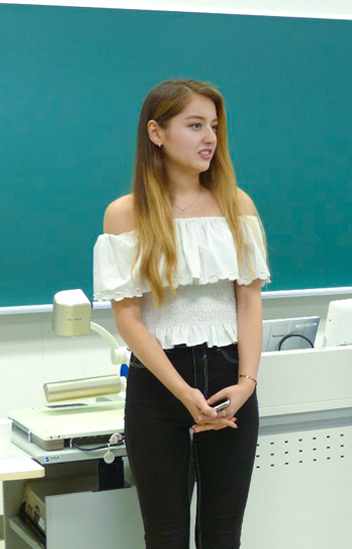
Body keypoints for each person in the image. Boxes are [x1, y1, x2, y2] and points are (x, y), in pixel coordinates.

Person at [93, 79, 270, 549]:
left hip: (231, 379)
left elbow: (249, 302)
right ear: (156, 132)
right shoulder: (125, 215)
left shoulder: (238, 206)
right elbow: (129, 318)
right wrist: (185, 393)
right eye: (194, 125)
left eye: (214, 126)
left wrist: (247, 384)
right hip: (158, 386)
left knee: (222, 534)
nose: (209, 137)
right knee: (165, 535)